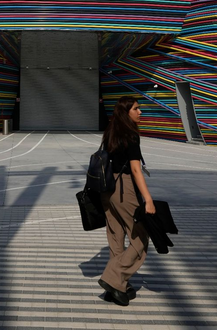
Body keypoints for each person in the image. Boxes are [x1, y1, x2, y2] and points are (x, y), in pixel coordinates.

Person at [98, 95, 154, 306]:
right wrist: (147, 198)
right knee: (141, 234)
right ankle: (112, 277)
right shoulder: (131, 134)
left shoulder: (111, 130)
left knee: (116, 235)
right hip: (123, 187)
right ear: (126, 112)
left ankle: (117, 287)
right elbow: (134, 169)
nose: (140, 112)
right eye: (137, 109)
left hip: (105, 188)